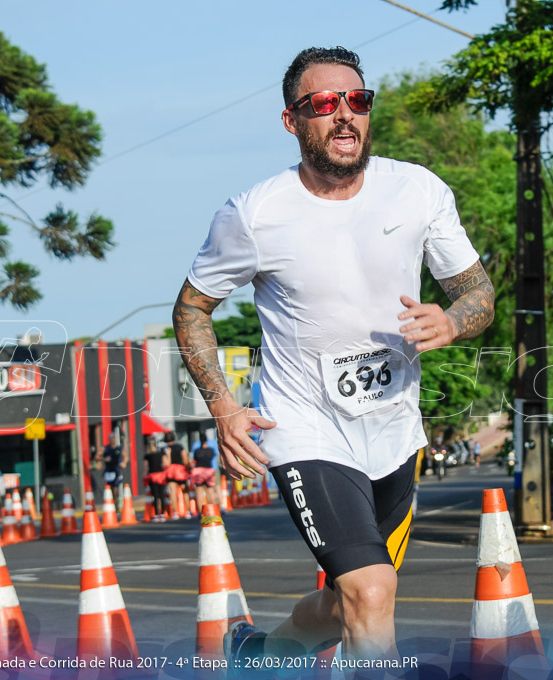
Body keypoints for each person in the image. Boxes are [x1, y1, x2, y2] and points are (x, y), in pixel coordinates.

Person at [172, 46, 494, 663]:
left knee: (351, 600)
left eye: (357, 101)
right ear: (293, 121)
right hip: (305, 430)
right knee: (372, 591)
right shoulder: (253, 214)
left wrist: (454, 321)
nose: (345, 115)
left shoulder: (417, 191)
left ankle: (261, 656)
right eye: (324, 103)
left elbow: (476, 291)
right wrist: (224, 406)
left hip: (395, 430)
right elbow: (192, 309)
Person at [191, 435, 218, 508]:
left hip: (198, 471)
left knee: (199, 492)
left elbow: (194, 460)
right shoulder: (211, 450)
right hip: (209, 470)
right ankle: (213, 510)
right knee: (211, 491)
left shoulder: (197, 451)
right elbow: (213, 457)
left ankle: (201, 512)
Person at [144, 437, 167, 520]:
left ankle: (157, 514)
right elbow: (165, 464)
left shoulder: (148, 456)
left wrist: (145, 476)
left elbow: (146, 467)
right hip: (161, 475)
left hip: (153, 476)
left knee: (155, 496)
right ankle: (163, 513)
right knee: (161, 495)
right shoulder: (161, 454)